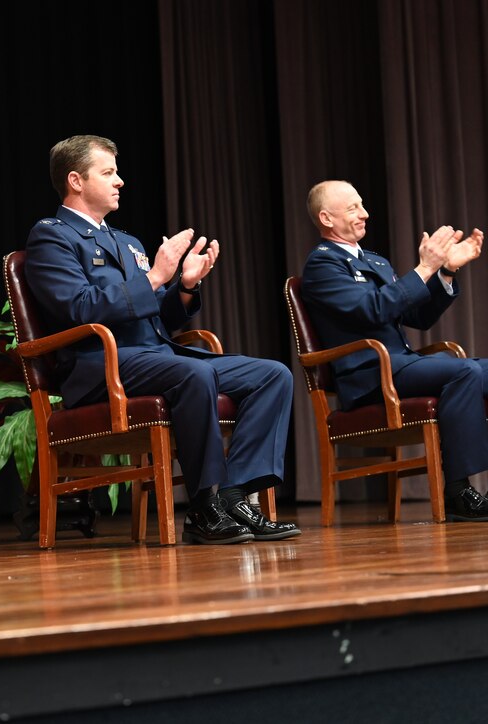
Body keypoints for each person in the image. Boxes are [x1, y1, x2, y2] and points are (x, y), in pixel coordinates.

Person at [24, 135, 299, 544]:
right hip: (99, 363)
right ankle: (204, 509)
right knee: (191, 374)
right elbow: (78, 308)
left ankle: (234, 494)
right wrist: (154, 277)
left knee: (272, 374)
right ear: (76, 181)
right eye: (109, 172)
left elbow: (158, 317)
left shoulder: (127, 241)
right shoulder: (52, 237)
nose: (120, 181)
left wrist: (184, 287)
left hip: (155, 357)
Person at [300, 180, 488, 521]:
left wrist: (446, 271)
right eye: (353, 208)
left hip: (404, 365)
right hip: (370, 375)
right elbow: (373, 310)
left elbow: (417, 316)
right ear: (326, 218)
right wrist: (424, 269)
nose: (365, 213)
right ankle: (457, 490)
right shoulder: (322, 265)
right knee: (462, 370)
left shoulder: (375, 262)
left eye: (362, 205)